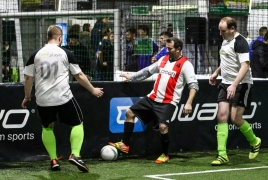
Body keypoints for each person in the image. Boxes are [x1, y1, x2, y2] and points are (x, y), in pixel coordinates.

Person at [21, 25, 104, 172]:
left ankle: (53, 160)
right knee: (78, 123)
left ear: (47, 37)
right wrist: (93, 89)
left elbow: (28, 78)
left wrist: (27, 96)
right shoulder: (66, 53)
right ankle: (75, 155)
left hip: (43, 99)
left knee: (47, 127)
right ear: (60, 38)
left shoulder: (36, 54)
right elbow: (79, 75)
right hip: (63, 97)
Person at [109, 37, 199, 163]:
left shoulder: (186, 64)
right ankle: (125, 145)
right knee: (129, 113)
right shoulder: (163, 59)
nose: (167, 51)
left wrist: (189, 103)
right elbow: (147, 72)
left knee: (163, 127)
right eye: (167, 48)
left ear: (178, 49)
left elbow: (194, 85)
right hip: (152, 98)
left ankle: (165, 155)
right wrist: (132, 76)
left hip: (168, 102)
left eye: (170, 48)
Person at [209, 17, 261, 166]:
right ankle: (222, 155)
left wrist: (234, 85)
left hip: (241, 84)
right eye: (219, 30)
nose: (220, 33)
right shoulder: (225, 39)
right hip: (225, 83)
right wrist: (216, 72)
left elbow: (244, 66)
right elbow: (227, 60)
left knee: (235, 118)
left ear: (232, 29)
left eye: (223, 30)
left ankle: (254, 140)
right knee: (221, 115)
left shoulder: (241, 42)